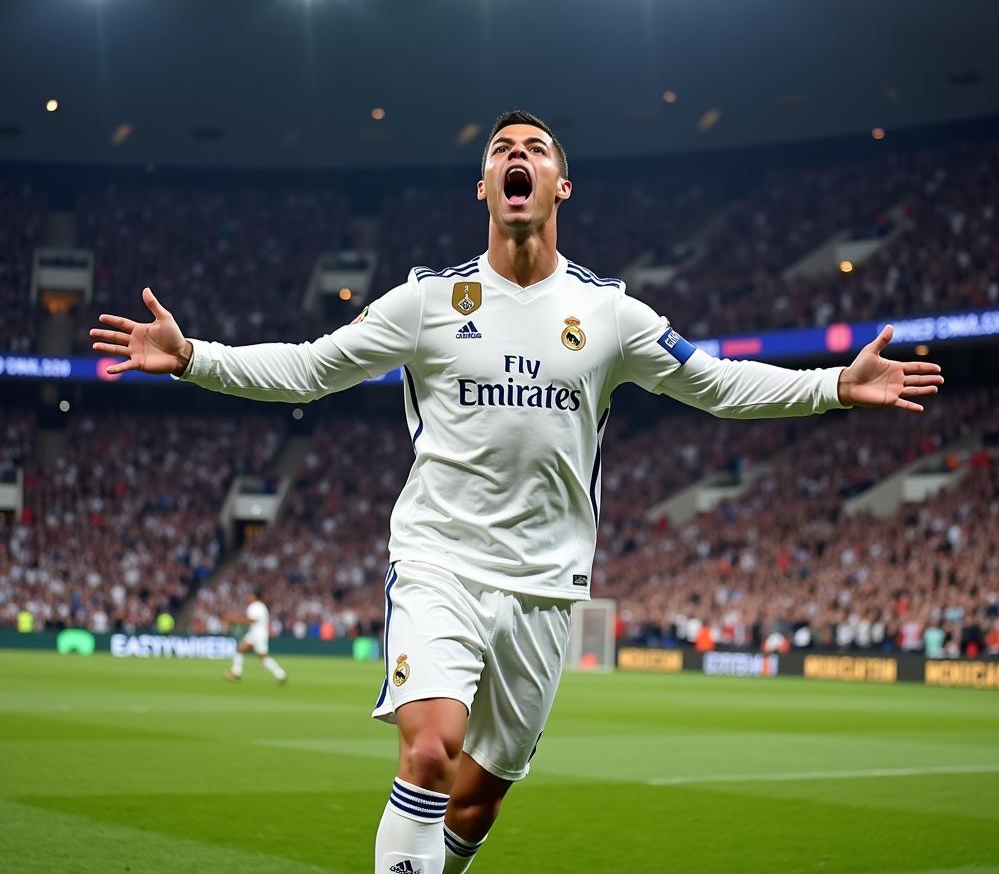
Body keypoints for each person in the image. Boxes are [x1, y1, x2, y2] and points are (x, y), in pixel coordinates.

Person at [90, 110, 943, 874]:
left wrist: (834, 385)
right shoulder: (428, 301)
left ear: (560, 185)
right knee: (429, 753)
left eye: (534, 149)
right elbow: (310, 366)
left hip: (545, 587)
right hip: (440, 561)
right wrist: (196, 356)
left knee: (476, 800)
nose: (517, 157)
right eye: (503, 151)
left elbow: (716, 384)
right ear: (485, 187)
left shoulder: (610, 314)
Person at [223, 588, 287, 685]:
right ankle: (236, 672)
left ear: (255, 596)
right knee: (241, 649)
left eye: (250, 595)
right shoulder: (260, 606)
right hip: (256, 633)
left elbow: (252, 620)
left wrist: (235, 619)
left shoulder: (256, 606)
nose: (248, 597)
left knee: (262, 657)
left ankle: (280, 674)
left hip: (258, 634)